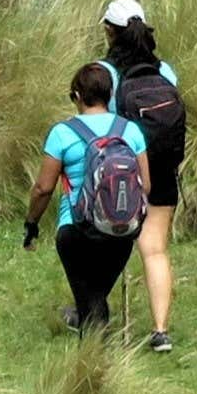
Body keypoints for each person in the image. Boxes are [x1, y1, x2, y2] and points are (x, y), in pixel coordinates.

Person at [23, 63, 149, 334]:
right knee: (94, 298)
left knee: (90, 304)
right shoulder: (131, 131)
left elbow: (43, 188)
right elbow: (146, 186)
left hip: (76, 231)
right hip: (121, 230)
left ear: (78, 96)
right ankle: (95, 354)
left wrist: (32, 222)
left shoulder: (62, 133)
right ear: (109, 94)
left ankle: (93, 365)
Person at [101, 0, 184, 352]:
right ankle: (161, 330)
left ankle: (90, 311)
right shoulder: (165, 72)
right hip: (163, 170)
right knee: (154, 249)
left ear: (109, 31)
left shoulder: (104, 73)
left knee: (106, 247)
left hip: (120, 172)